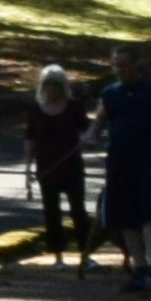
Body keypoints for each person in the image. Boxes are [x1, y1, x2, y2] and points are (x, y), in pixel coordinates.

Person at [98, 53, 151, 291]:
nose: (120, 70)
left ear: (137, 65)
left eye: (125, 65)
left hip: (145, 162)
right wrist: (88, 137)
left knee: (149, 215)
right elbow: (98, 123)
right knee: (125, 218)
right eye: (116, 66)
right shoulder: (109, 94)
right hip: (118, 162)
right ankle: (139, 268)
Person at [22, 62, 94, 270]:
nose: (52, 89)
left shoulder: (74, 107)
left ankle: (86, 254)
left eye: (56, 85)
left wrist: (87, 141)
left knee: (78, 211)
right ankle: (58, 257)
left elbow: (89, 132)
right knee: (51, 213)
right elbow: (30, 141)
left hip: (72, 167)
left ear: (63, 86)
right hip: (46, 169)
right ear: (42, 87)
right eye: (48, 85)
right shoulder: (35, 111)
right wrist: (27, 170)